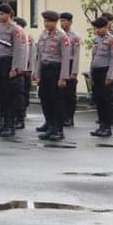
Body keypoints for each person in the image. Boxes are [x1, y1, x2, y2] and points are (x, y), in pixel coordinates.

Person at [0, 3, 28, 138]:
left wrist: (15, 68)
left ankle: (10, 125)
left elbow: (19, 50)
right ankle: (2, 123)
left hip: (9, 63)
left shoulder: (16, 29)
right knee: (0, 96)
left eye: (1, 14)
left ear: (9, 15)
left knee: (10, 96)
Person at [33, 10, 69, 141]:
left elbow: (65, 58)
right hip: (45, 69)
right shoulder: (43, 35)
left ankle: (58, 130)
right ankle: (50, 126)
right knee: (45, 98)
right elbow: (39, 56)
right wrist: (37, 73)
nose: (46, 23)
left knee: (56, 101)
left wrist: (63, 77)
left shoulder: (62, 36)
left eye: (49, 21)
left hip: (56, 70)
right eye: (45, 21)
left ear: (55, 22)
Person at [88, 17, 113, 137]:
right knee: (99, 100)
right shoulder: (96, 39)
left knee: (106, 101)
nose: (96, 30)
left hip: (105, 72)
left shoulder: (112, 40)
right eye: (95, 28)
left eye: (98, 28)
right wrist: (91, 73)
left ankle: (107, 127)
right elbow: (93, 57)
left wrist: (110, 76)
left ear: (105, 27)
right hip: (96, 72)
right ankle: (101, 126)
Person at [59, 11, 81, 127]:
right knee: (60, 94)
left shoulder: (75, 37)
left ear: (70, 22)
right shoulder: (57, 35)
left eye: (65, 21)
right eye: (61, 21)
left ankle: (69, 117)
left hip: (71, 64)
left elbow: (76, 55)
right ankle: (61, 116)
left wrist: (74, 71)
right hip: (61, 64)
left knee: (70, 94)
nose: (63, 23)